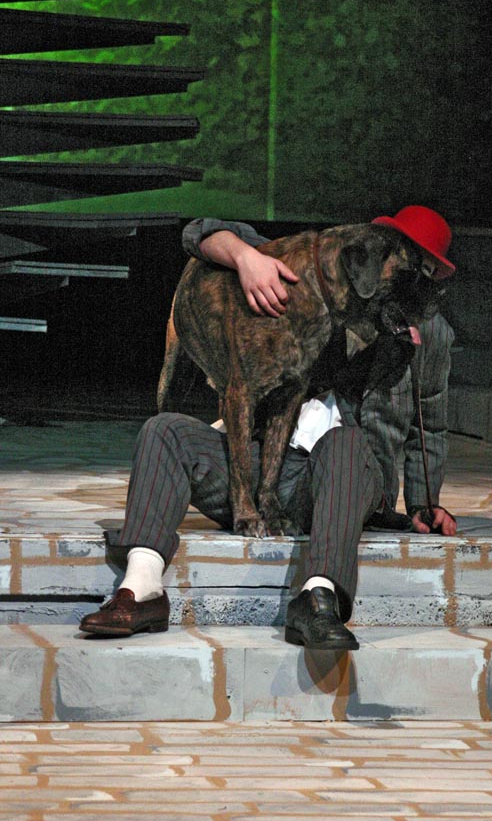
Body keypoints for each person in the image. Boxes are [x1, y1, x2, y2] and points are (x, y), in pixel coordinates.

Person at [80, 205, 457, 650]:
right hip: (268, 468)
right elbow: (200, 231)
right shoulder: (313, 276)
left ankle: (319, 597)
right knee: (165, 430)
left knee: (347, 442)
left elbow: (427, 423)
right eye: (411, 264)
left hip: (339, 482)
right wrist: (244, 257)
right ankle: (141, 588)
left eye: (429, 273)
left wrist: (423, 502)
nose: (417, 280)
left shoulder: (425, 336)